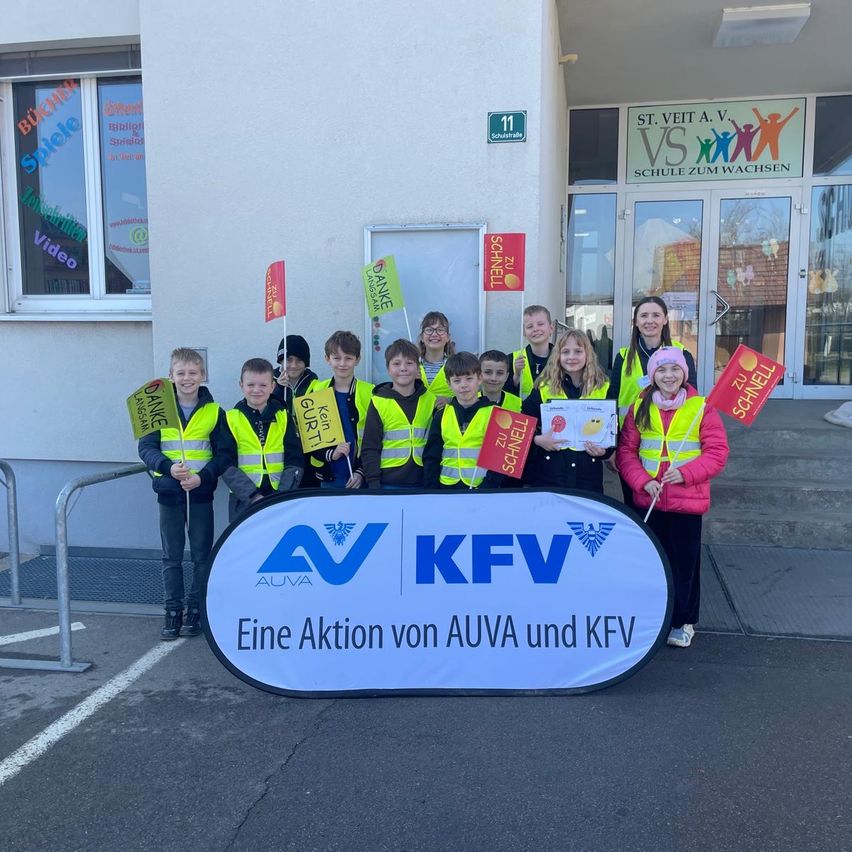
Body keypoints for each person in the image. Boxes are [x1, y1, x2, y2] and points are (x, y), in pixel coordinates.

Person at [616, 347, 729, 649]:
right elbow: (626, 453)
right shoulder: (640, 406)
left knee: (684, 565)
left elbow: (717, 453)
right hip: (650, 500)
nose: (669, 376)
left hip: (686, 502)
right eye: (662, 370)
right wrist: (642, 482)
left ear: (684, 373)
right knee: (651, 563)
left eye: (675, 369)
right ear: (653, 375)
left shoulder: (702, 407)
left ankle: (682, 622)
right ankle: (656, 618)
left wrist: (686, 474)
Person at [138, 347, 230, 641]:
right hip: (169, 494)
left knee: (202, 556)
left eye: (193, 373)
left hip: (200, 495)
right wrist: (167, 468)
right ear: (170, 376)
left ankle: (195, 608)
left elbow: (224, 455)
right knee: (171, 557)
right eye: (181, 373)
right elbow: (146, 449)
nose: (187, 378)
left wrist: (202, 478)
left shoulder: (216, 413)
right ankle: (172, 610)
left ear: (203, 376)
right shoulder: (157, 410)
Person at [608, 296, 698, 509]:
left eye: (656, 315)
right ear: (636, 322)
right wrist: (611, 447)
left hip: (668, 441)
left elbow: (691, 396)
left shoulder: (682, 353)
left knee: (667, 506)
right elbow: (611, 403)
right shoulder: (623, 356)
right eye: (644, 315)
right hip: (630, 443)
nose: (650, 320)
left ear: (666, 319)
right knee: (634, 504)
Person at [521, 330, 611, 492]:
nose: (571, 357)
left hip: (588, 477)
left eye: (578, 351)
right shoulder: (543, 388)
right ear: (557, 356)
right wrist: (538, 440)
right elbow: (523, 425)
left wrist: (604, 451)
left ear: (588, 354)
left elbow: (612, 433)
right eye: (565, 352)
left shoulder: (603, 388)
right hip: (550, 475)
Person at [222, 358, 304, 521]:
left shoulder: (284, 417)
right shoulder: (230, 418)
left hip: (279, 499)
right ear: (241, 385)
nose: (256, 390)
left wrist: (281, 496)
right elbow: (225, 464)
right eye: (250, 385)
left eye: (263, 385)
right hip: (244, 500)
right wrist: (252, 496)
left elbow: (295, 459)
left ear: (273, 386)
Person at [361, 339, 436, 490]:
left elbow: (435, 445)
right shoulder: (378, 402)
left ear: (417, 368)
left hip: (422, 483)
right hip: (387, 483)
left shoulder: (430, 400)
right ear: (388, 369)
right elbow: (370, 447)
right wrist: (373, 483)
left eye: (409, 363)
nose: (403, 368)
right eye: (396, 363)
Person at [423, 352, 501, 489]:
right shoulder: (441, 415)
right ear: (449, 383)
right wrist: (433, 490)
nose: (463, 385)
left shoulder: (495, 414)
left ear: (480, 378)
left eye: (469, 379)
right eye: (457, 381)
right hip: (446, 488)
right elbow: (432, 456)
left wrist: (488, 487)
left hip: (482, 489)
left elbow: (500, 459)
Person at [307, 330, 374, 489]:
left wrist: (361, 471)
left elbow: (375, 438)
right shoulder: (317, 390)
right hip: (329, 476)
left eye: (348, 358)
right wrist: (331, 454)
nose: (342, 363)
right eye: (336, 358)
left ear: (357, 360)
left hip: (358, 477)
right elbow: (310, 438)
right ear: (327, 359)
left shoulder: (370, 392)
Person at [505, 305, 555, 399]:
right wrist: (517, 375)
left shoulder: (564, 360)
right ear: (524, 332)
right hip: (522, 413)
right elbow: (505, 396)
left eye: (540, 324)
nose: (535, 329)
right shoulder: (511, 360)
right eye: (529, 326)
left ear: (551, 328)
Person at [271, 334, 318, 412]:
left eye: (299, 360)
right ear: (281, 361)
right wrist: (278, 389)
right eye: (289, 360)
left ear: (305, 363)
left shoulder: (314, 383)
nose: (293, 365)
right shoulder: (266, 382)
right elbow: (264, 411)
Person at [418, 311, 455, 407]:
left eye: (440, 330)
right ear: (422, 337)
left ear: (448, 337)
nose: (434, 334)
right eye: (429, 330)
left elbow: (469, 395)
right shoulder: (412, 366)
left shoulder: (456, 366)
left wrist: (450, 400)